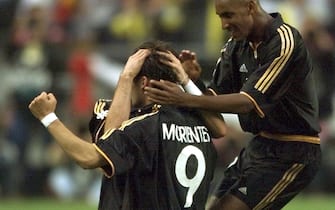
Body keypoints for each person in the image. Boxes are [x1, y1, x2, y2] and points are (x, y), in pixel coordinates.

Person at [144, 1, 322, 210]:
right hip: (258, 147)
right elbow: (213, 97)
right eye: (220, 16)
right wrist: (192, 81)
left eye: (228, 15)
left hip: (293, 151)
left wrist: (184, 98)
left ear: (250, 6)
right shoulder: (235, 46)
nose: (223, 25)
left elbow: (248, 102)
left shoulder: (284, 41)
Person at [29, 40, 226, 210]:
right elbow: (220, 128)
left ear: (143, 83)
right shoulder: (200, 123)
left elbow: (93, 155)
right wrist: (188, 81)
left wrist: (48, 117)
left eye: (131, 78)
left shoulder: (143, 126)